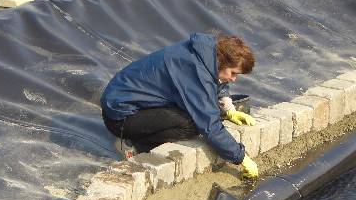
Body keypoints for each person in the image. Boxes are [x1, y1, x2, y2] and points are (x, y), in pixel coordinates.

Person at [100, 32, 259, 179]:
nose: (234, 79)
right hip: (121, 117)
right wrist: (241, 157)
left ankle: (140, 138)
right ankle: (135, 143)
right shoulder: (194, 70)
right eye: (234, 73)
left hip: (129, 102)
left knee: (199, 111)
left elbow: (216, 82)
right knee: (193, 124)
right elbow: (210, 126)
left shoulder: (206, 53)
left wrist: (229, 108)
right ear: (222, 61)